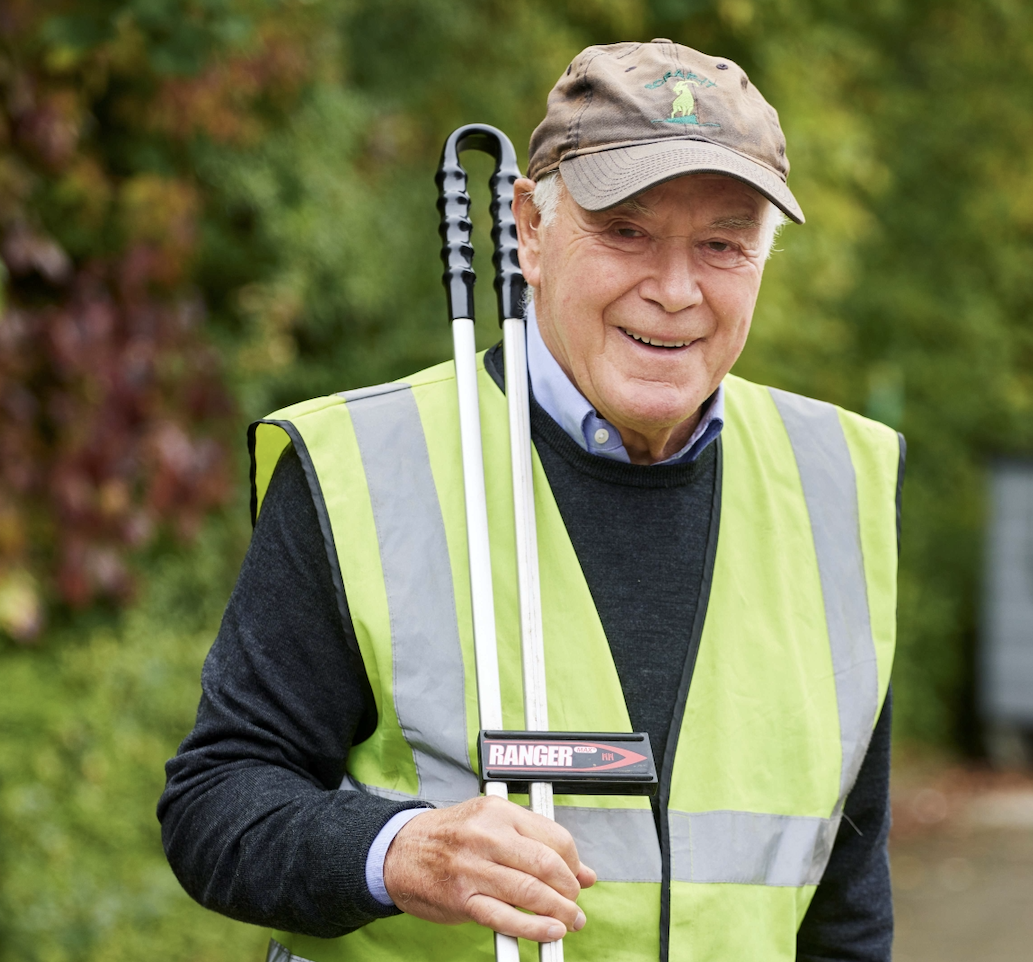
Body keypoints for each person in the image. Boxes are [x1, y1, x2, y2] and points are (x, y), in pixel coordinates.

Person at [159, 39, 904, 962]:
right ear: (529, 230)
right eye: (625, 230)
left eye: (722, 244)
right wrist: (394, 854)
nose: (675, 291)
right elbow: (215, 801)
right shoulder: (367, 468)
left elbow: (848, 899)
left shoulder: (839, 483)